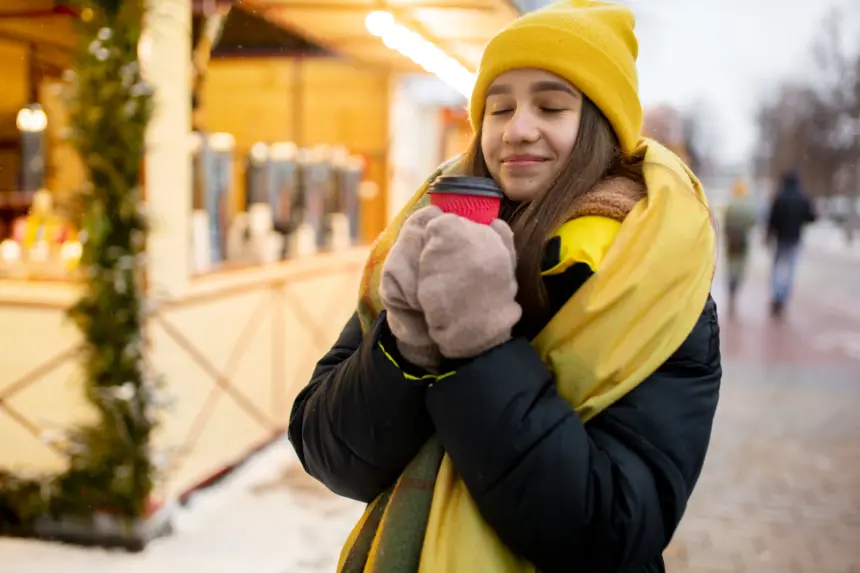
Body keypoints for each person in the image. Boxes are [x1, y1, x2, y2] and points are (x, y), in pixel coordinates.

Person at [289, 2, 721, 572]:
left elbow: (611, 530)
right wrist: (406, 344)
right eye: (499, 108)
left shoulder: (655, 283)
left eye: (550, 106)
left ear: (598, 127)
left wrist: (481, 348)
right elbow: (331, 452)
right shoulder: (431, 239)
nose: (518, 129)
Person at [766, 170, 816, 317]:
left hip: (781, 239)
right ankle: (784, 296)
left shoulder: (780, 197)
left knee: (777, 268)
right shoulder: (803, 197)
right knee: (791, 269)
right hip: (795, 239)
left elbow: (772, 219)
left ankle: (776, 294)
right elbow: (811, 217)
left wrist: (769, 234)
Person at [723, 178, 758, 315]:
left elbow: (725, 222)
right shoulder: (748, 205)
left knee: (731, 264)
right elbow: (752, 222)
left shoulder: (730, 204)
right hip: (743, 240)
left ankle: (731, 285)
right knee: (740, 265)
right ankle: (736, 285)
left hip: (731, 240)